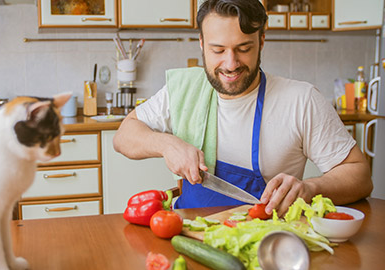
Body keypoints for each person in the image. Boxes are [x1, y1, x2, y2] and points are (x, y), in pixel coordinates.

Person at [113, 0, 372, 216]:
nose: (231, 63)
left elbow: (360, 176)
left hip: (267, 245)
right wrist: (167, 145)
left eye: (244, 48)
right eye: (218, 50)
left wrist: (310, 188)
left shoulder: (301, 100)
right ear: (202, 44)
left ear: (262, 40)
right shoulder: (182, 91)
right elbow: (124, 136)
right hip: (190, 236)